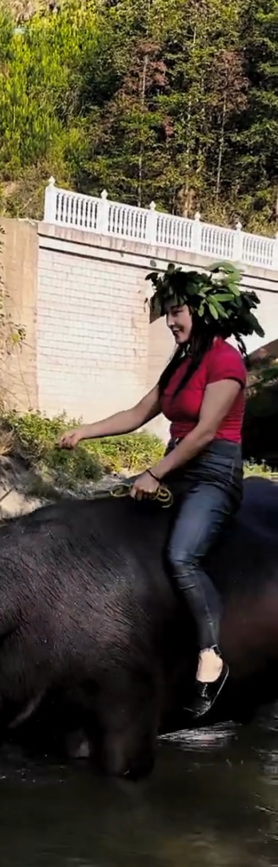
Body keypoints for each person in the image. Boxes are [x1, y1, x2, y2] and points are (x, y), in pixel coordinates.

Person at [59, 262, 263, 719]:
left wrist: (153, 473)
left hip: (212, 474)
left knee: (181, 557)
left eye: (176, 312)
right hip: (178, 465)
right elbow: (137, 413)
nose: (170, 321)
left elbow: (206, 432)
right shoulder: (182, 361)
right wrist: (83, 431)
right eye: (167, 313)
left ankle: (211, 657)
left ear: (202, 313)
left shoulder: (224, 361)